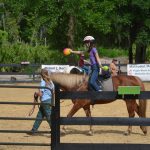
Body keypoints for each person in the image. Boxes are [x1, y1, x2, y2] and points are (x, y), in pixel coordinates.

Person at [27, 68, 54, 135]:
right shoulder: (51, 82)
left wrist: (36, 93)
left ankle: (54, 129)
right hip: (49, 100)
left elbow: (41, 94)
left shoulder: (43, 82)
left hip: (45, 101)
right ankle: (33, 130)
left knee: (48, 116)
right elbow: (53, 92)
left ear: (41, 75)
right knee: (40, 115)